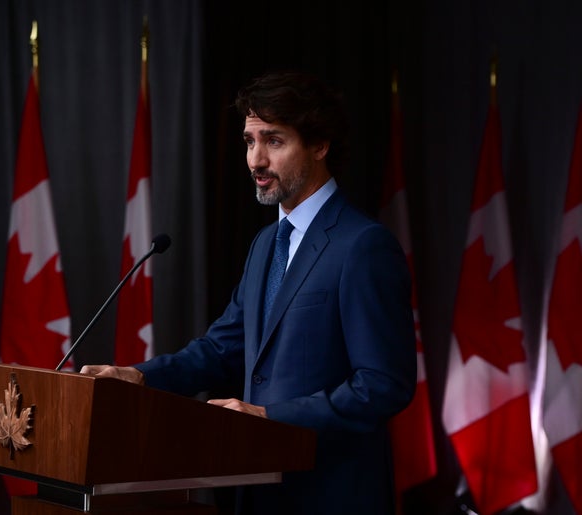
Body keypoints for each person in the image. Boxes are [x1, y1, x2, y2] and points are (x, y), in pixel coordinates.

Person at [80, 70, 417, 514]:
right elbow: (222, 348)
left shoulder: (362, 245)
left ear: (319, 145)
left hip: (331, 495)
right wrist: (140, 377)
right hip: (257, 493)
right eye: (249, 141)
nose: (255, 160)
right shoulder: (265, 245)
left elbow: (383, 384)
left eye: (273, 141)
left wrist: (269, 419)